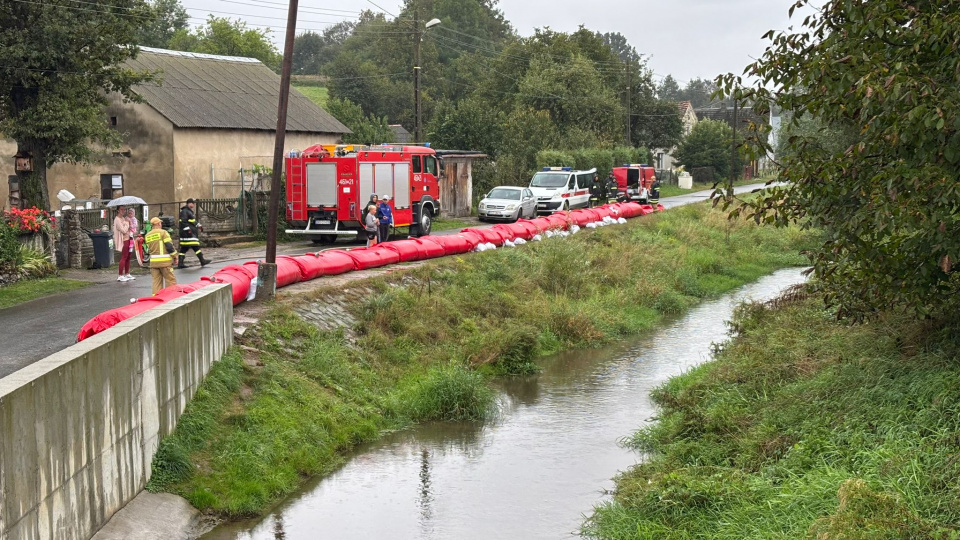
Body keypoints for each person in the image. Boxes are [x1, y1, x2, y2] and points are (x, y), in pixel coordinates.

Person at [146, 217, 177, 294]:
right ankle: (171, 297)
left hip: (153, 263)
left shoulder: (147, 235)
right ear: (158, 224)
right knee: (170, 280)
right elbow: (169, 246)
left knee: (156, 282)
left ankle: (156, 299)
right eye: (161, 223)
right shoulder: (163, 233)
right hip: (165, 262)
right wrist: (175, 257)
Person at [178, 198, 210, 268]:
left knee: (184, 248)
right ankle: (202, 261)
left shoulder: (188, 212)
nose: (194, 204)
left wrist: (199, 226)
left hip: (188, 233)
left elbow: (193, 221)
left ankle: (180, 263)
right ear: (189, 203)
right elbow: (183, 221)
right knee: (195, 247)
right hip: (187, 234)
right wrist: (188, 230)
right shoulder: (185, 211)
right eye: (193, 203)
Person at [112, 206, 134, 282]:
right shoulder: (117, 219)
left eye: (124, 209)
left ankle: (127, 273)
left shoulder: (123, 218)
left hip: (128, 239)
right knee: (124, 256)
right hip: (123, 240)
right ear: (118, 210)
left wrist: (127, 222)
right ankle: (120, 275)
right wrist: (127, 223)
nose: (123, 211)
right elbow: (124, 230)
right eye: (121, 209)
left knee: (128, 256)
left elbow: (128, 228)